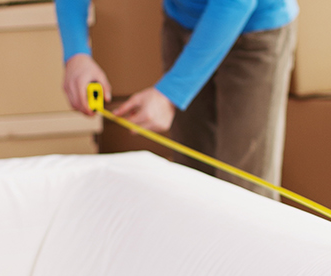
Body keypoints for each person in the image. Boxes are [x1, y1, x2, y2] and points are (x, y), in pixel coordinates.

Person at [54, 0, 298, 196]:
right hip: (182, 21)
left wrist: (170, 93)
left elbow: (234, 4)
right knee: (190, 181)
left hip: (255, 29)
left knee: (245, 193)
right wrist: (77, 54)